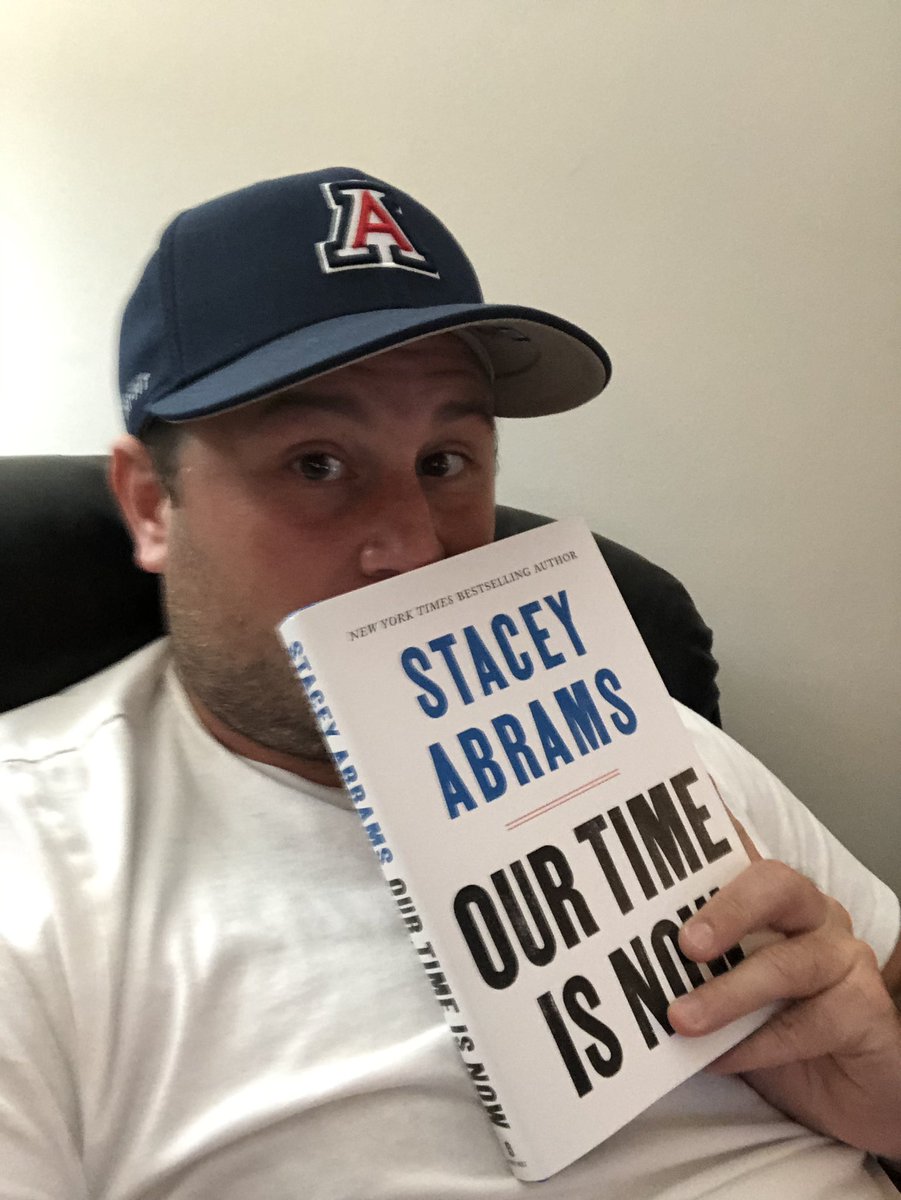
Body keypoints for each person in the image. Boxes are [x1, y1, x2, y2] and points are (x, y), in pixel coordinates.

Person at [0, 167, 898, 1199]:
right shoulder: (34, 871)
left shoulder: (640, 732)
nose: (415, 551)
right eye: (317, 465)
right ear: (151, 504)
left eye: (445, 461)